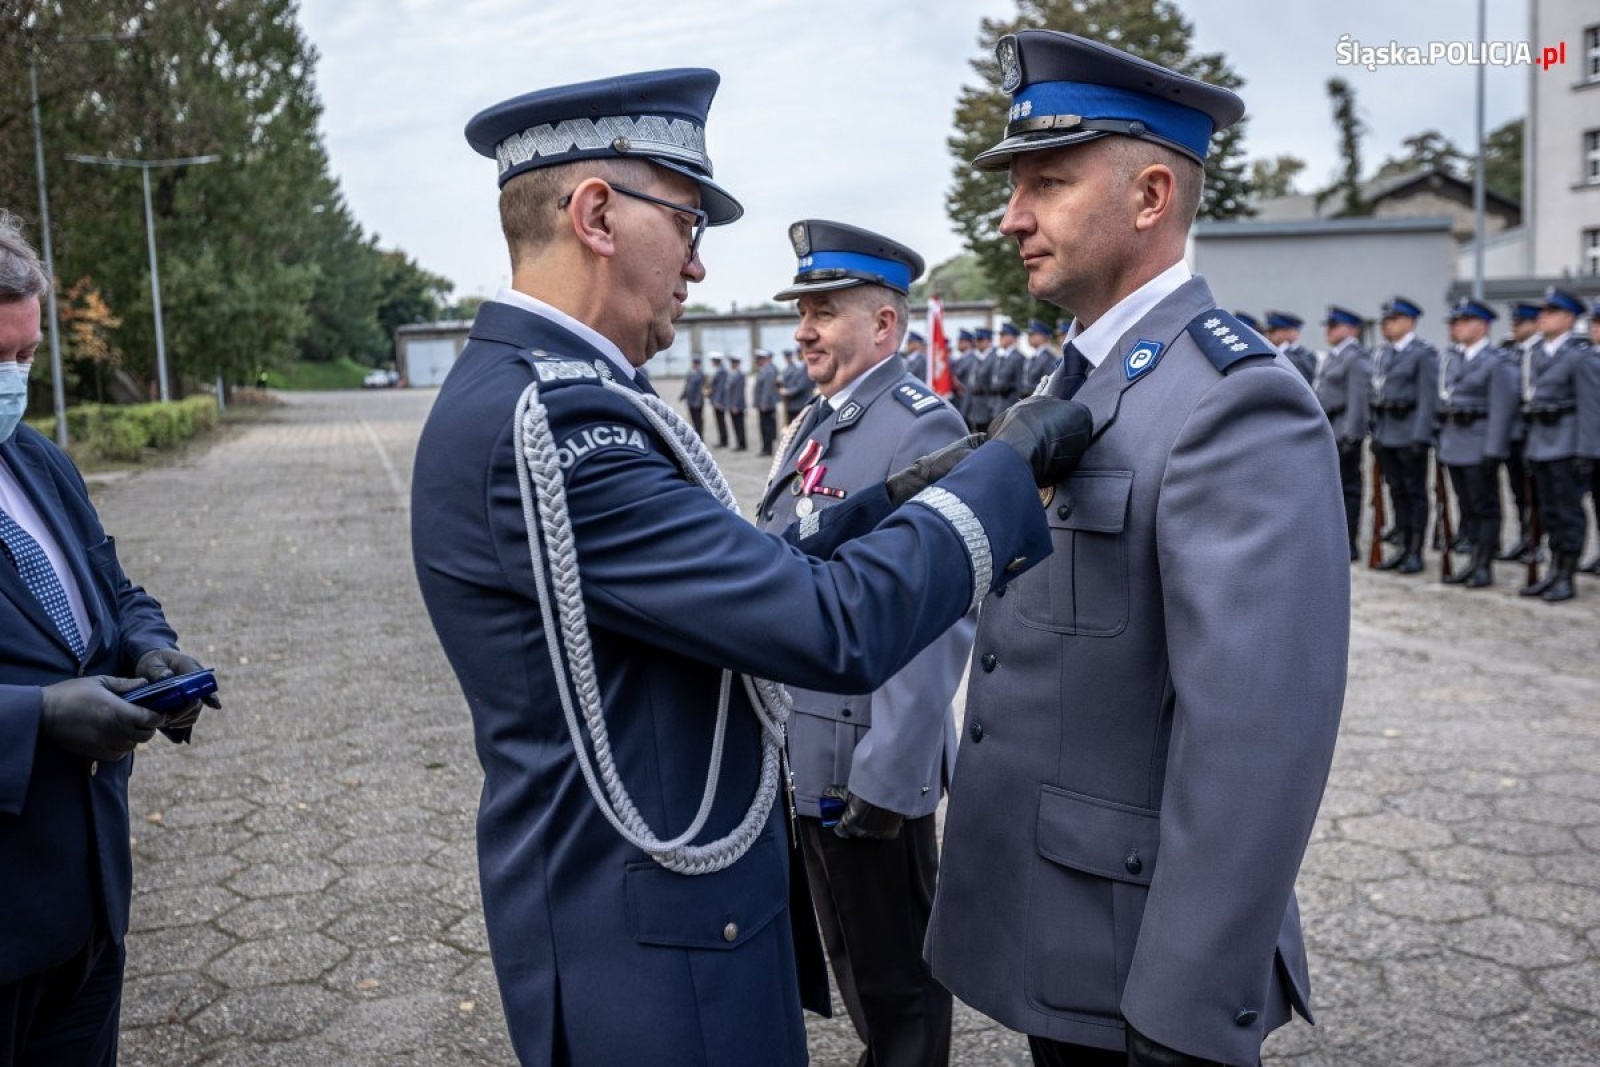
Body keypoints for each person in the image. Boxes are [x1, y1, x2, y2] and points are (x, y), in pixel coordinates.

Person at [409, 68, 1093, 1067]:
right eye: (687, 223)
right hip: (649, 955)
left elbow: (745, 564)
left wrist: (907, 493)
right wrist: (1000, 477)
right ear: (597, 215)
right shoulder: (556, 422)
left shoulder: (543, 395)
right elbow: (829, 624)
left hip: (643, 916)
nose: (694, 266)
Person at [923, 32, 1349, 1067]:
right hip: (1054, 921)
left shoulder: (1231, 399)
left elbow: (1254, 741)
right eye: (1015, 185)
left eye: (1048, 182)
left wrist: (1185, 1003)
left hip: (1136, 959)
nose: (1011, 215)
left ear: (1151, 194)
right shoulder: (1074, 381)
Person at [0, 210, 217, 1064]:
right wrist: (43, 717)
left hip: (87, 903)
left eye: (23, 357)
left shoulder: (37, 460)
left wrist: (152, 651)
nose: (11, 380)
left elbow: (113, 589)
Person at [755, 220, 970, 1067]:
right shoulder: (823, 418)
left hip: (864, 763)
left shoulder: (919, 427)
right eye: (802, 311)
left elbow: (939, 611)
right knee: (852, 961)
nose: (804, 328)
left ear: (884, 325)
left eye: (824, 311)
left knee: (899, 984)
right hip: (809, 751)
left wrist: (891, 769)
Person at [1518, 287, 1600, 602]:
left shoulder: (1580, 357)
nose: (1542, 317)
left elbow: (1591, 408)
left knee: (1568, 514)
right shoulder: (1536, 353)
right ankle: (1553, 570)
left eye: (1551, 312)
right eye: (1542, 311)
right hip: (1541, 443)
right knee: (1548, 513)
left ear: (1568, 318)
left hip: (1567, 445)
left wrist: (1586, 452)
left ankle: (1567, 574)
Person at [1436, 299, 1520, 588]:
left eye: (1464, 321)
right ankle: (1471, 559)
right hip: (1455, 443)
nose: (1457, 326)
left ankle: (1484, 564)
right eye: (1455, 322)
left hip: (1479, 443)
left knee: (1485, 507)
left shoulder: (1496, 361)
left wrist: (1494, 449)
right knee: (1467, 507)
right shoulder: (1453, 359)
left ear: (1482, 325)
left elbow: (1502, 408)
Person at [1368, 296, 1439, 574]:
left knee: (1414, 493)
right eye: (1385, 320)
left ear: (1410, 322)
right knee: (1396, 493)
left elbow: (1428, 397)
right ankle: (1402, 545)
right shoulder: (1383, 354)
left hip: (1409, 433)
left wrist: (1421, 436)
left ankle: (1415, 550)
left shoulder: (1422, 354)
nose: (1387, 325)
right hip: (1387, 432)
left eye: (1393, 320)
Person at [1316, 306, 1373, 561]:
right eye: (1328, 326)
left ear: (1352, 329)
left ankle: (1349, 541)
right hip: (1331, 428)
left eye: (1335, 326)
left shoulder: (1354, 357)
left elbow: (1357, 399)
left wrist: (1352, 434)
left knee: (1348, 489)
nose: (1329, 331)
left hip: (1343, 432)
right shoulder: (1335, 356)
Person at [1497, 302, 1543, 562]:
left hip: (1539, 435)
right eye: (1513, 323)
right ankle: (1526, 536)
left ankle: (1539, 541)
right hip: (1514, 435)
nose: (1514, 328)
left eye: (1520, 323)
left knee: (1539, 496)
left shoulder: (1540, 352)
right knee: (1519, 493)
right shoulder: (1512, 352)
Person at [1265, 311, 1316, 385]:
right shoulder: (1272, 351)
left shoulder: (1305, 356)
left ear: (1290, 332)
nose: (1269, 335)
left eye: (1273, 331)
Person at [752, 348, 779, 455]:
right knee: (763, 426)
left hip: (766, 405)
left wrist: (763, 403)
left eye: (758, 359)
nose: (756, 362)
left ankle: (767, 449)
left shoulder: (768, 371)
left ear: (762, 359)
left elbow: (767, 389)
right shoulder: (763, 370)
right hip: (763, 404)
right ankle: (765, 448)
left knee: (767, 427)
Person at [1022, 319, 1058, 397]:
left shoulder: (1047, 358)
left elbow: (1048, 386)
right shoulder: (1034, 357)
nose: (1029, 337)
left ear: (1043, 336)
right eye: (1029, 335)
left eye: (1033, 334)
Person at [779, 347, 813, 426]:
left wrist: (787, 391)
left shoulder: (804, 367)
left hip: (800, 403)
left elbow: (801, 386)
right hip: (795, 404)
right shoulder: (801, 367)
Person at [680, 354, 706, 437]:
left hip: (697, 402)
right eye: (694, 363)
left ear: (699, 364)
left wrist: (698, 402)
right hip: (690, 401)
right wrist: (683, 396)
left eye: (697, 363)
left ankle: (700, 436)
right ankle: (696, 435)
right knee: (693, 419)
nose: (695, 365)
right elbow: (687, 386)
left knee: (699, 420)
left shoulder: (701, 374)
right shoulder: (689, 373)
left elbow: (701, 390)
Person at [726, 353, 748, 451]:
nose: (732, 364)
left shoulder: (739, 375)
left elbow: (738, 392)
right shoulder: (732, 374)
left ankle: (742, 444)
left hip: (737, 405)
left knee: (739, 425)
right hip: (732, 405)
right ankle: (740, 442)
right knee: (736, 425)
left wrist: (735, 405)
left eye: (734, 363)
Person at [708, 353, 730, 446]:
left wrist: (717, 401)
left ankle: (723, 441)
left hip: (719, 401)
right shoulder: (719, 370)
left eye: (712, 361)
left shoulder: (721, 371)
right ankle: (722, 440)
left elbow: (721, 387)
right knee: (719, 421)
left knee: (721, 421)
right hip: (717, 400)